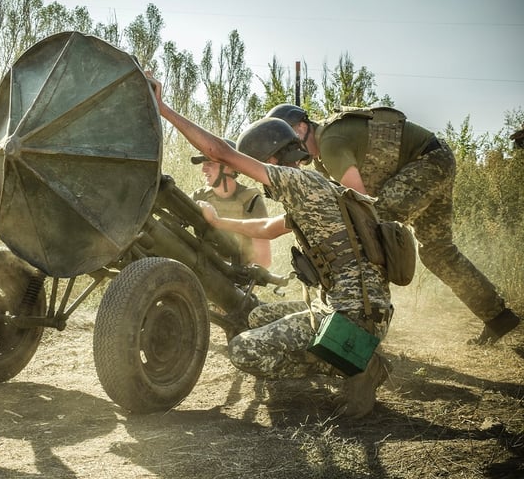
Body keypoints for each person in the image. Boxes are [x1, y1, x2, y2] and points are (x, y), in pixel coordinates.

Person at [148, 75, 391, 418]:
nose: (260, 182)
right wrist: (218, 222)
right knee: (256, 315)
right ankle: (350, 354)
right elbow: (268, 228)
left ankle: (357, 362)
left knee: (243, 350)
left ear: (272, 161)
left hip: (353, 318)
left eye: (258, 166)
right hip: (360, 309)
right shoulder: (315, 188)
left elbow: (220, 152)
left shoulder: (297, 181)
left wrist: (163, 109)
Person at [266, 104, 520, 345]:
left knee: (371, 231)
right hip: (435, 159)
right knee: (437, 252)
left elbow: (360, 204)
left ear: (302, 127)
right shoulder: (323, 154)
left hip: (427, 161)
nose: (287, 150)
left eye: (287, 139)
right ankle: (498, 317)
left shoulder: (330, 143)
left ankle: (367, 320)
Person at [189, 141, 272, 268]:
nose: (203, 169)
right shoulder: (199, 197)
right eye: (203, 164)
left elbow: (263, 259)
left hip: (239, 275)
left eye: (209, 163)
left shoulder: (251, 200)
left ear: (229, 166)